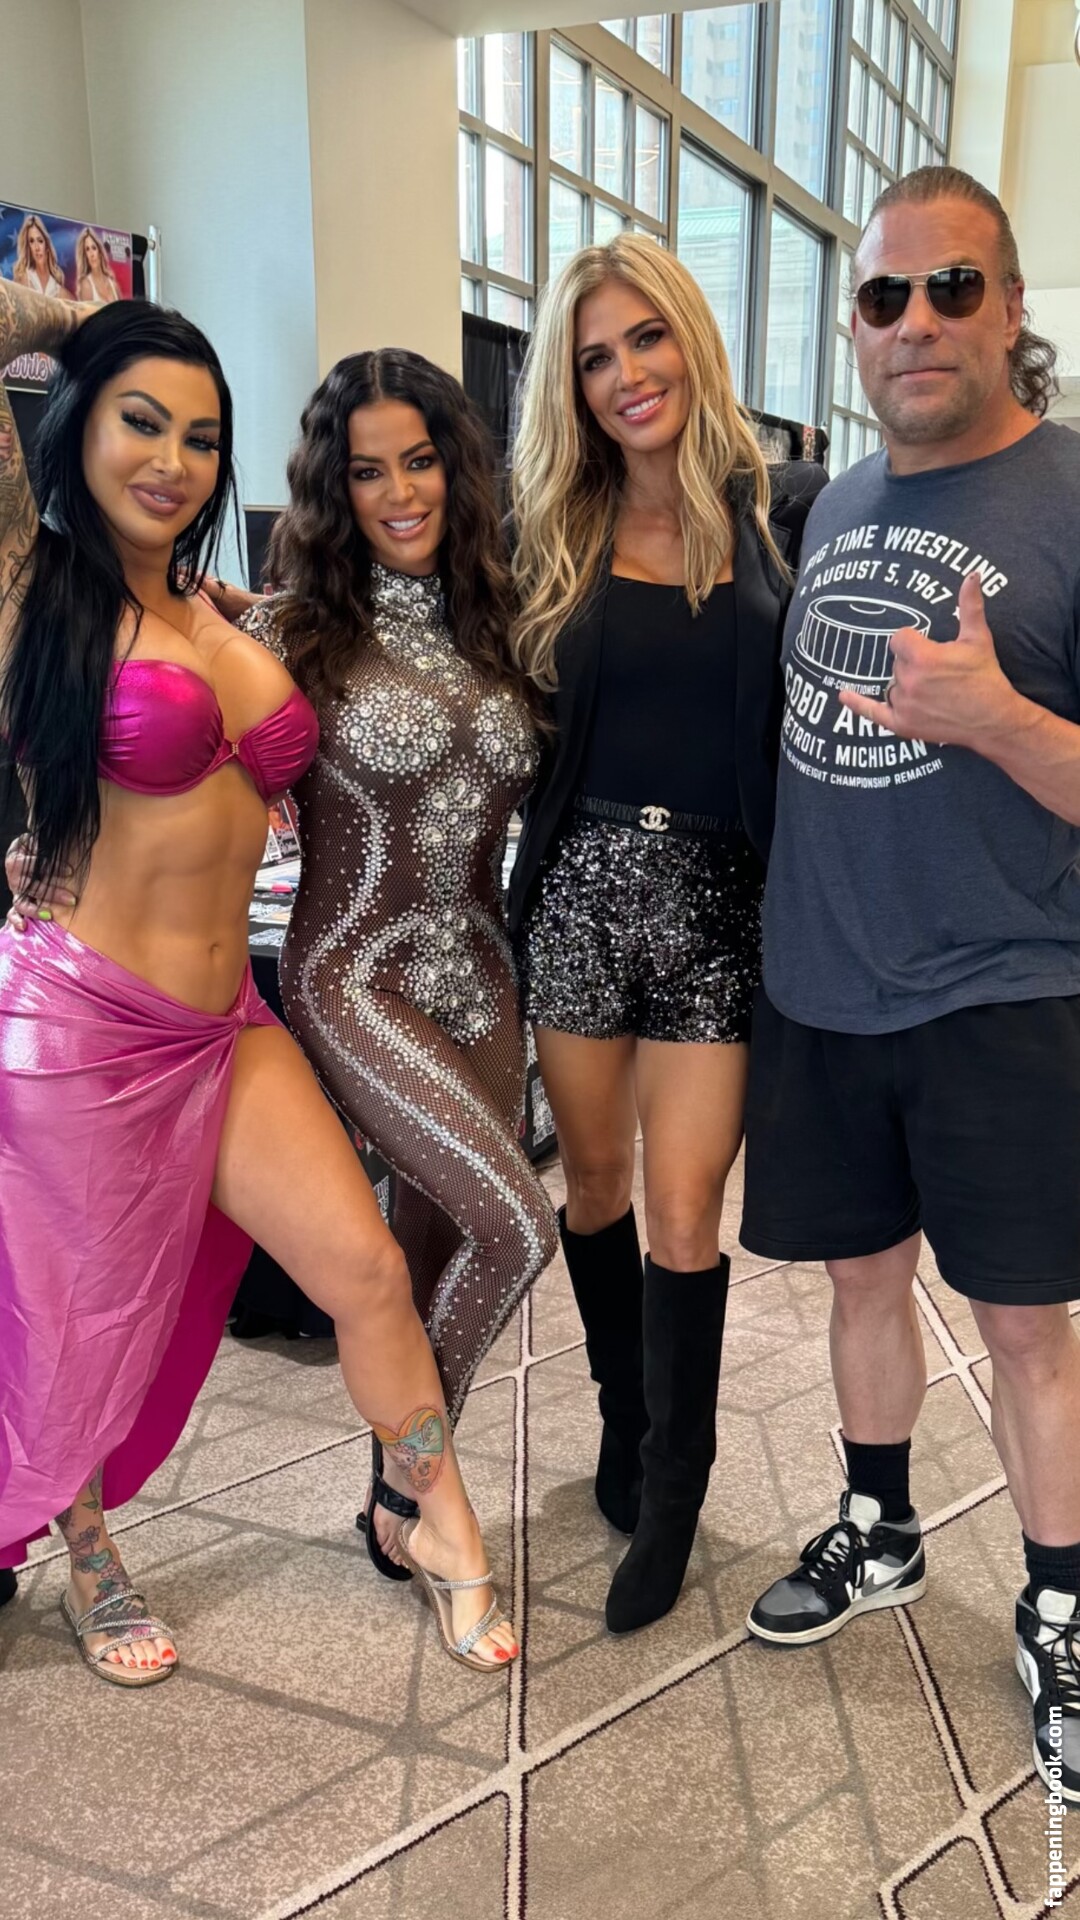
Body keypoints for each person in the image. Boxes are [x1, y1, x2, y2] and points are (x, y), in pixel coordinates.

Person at [0, 282, 520, 1683]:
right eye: (139, 421)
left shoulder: (229, 611)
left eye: (201, 436)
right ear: (74, 426)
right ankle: (88, 1558)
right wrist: (79, 313)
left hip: (230, 1021)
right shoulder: (33, 590)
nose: (172, 460)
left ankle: (439, 1525)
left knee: (365, 1269)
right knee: (78, 1317)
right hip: (81, 1022)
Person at [740, 166, 1080, 1804]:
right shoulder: (832, 505)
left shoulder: (1071, 498)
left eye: (954, 288)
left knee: (1025, 1326)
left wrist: (998, 718)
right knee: (860, 1287)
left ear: (1011, 312)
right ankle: (879, 1526)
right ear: (856, 328)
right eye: (886, 297)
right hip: (824, 982)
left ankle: (1062, 1607)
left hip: (1003, 989)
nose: (918, 322)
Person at [508, 233, 826, 1635]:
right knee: (594, 1183)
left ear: (691, 340)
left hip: (719, 906)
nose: (627, 373)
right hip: (579, 891)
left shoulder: (781, 521)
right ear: (571, 389)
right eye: (595, 357)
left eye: (646, 338)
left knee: (689, 1213)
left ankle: (677, 1485)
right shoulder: (548, 536)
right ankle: (622, 1417)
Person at [236, 349, 557, 1579]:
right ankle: (427, 1494)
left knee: (440, 1260)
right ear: (335, 489)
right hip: (352, 974)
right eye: (367, 472)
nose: (400, 492)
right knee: (515, 1226)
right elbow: (167, 746)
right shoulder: (287, 632)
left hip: (484, 981)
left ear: (454, 468)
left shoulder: (503, 620)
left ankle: (395, 1496)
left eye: (418, 462)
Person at [10, 214, 69, 300]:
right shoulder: (24, 278)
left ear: (47, 245)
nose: (36, 248)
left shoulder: (58, 288)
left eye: (40, 241)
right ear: (28, 247)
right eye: (31, 241)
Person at [75, 228, 121, 306]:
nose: (92, 254)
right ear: (85, 256)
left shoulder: (113, 284)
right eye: (87, 249)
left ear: (99, 252)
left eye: (94, 248)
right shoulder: (86, 285)